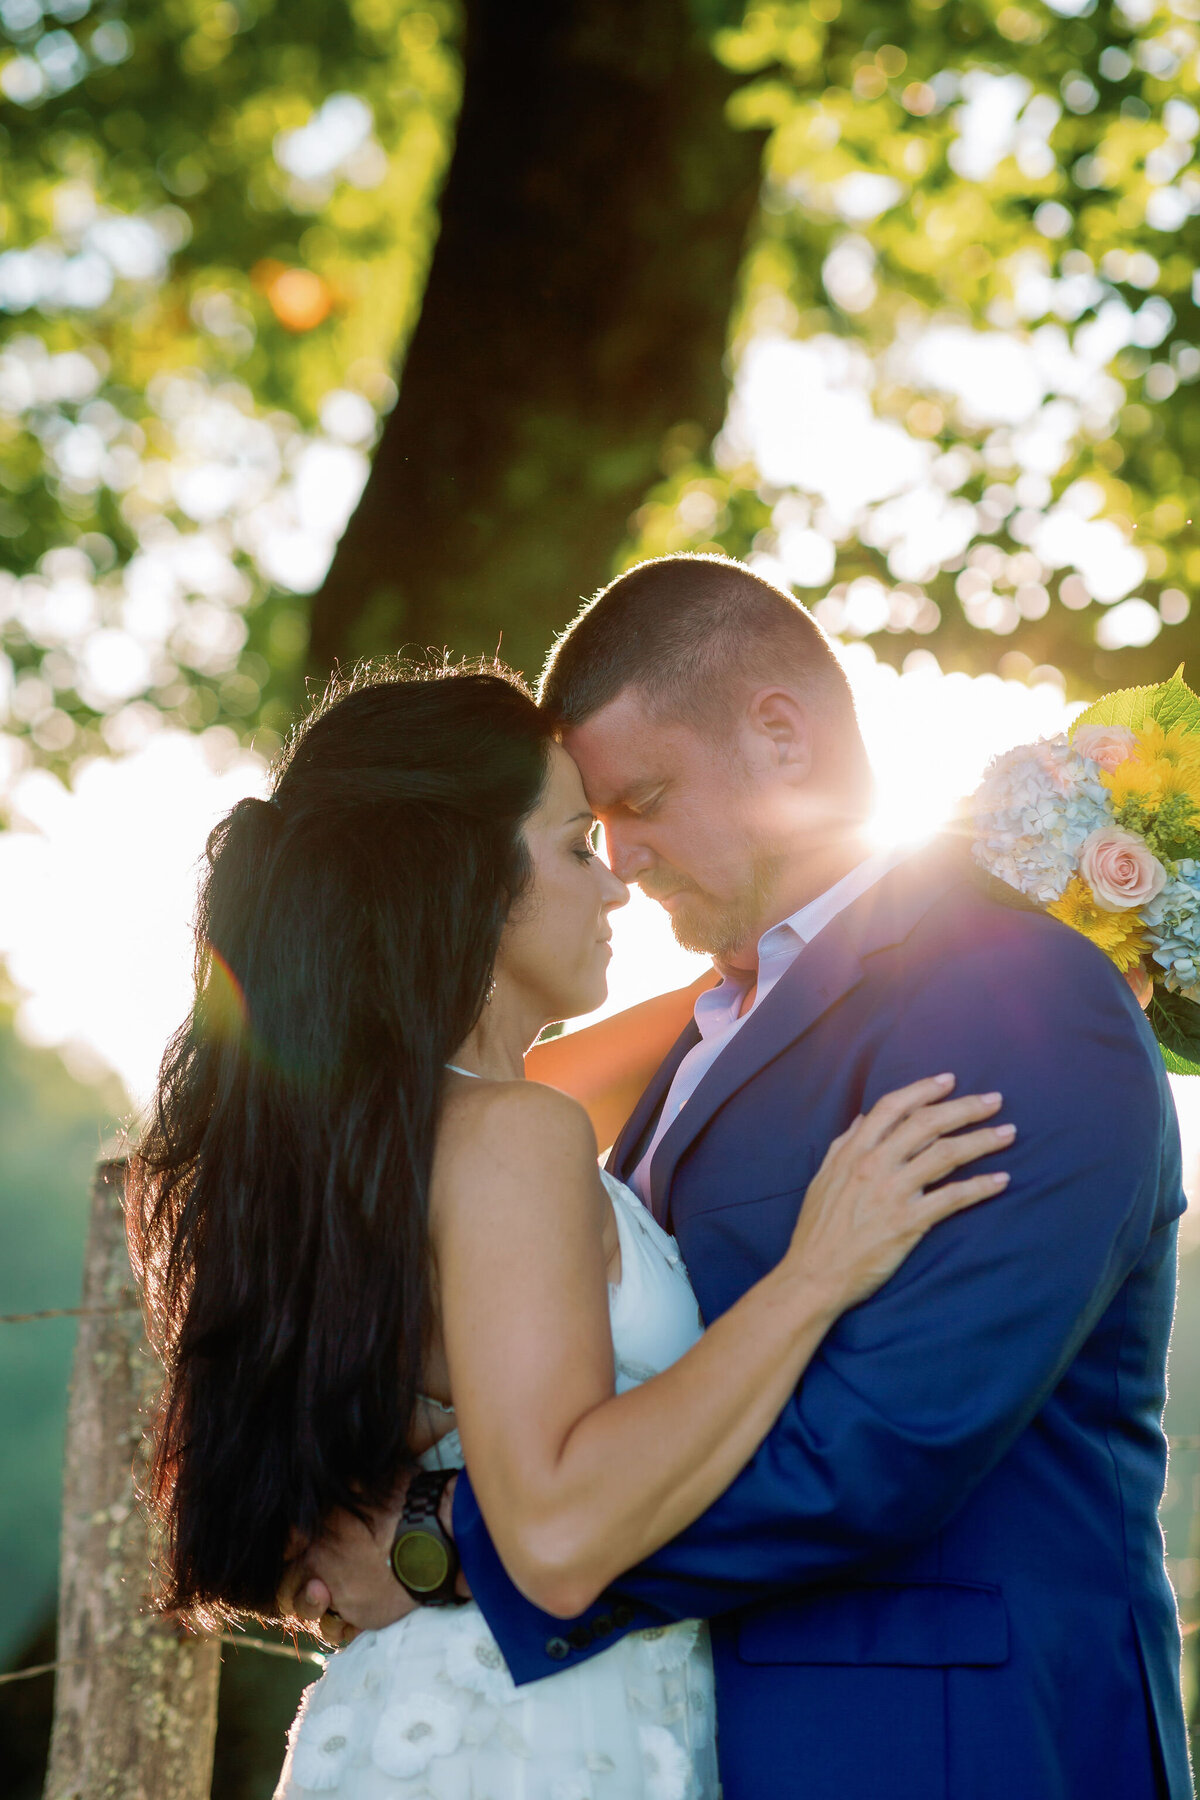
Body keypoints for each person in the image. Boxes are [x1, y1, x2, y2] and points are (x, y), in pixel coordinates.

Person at [290, 556, 1192, 1800]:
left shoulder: (1013, 995)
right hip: (683, 1732)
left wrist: (456, 1551)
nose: (626, 858)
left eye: (644, 799)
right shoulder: (704, 1029)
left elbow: (890, 1436)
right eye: (593, 829)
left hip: (945, 1743)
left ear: (779, 734)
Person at [127, 658, 1007, 1800]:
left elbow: (730, 1010)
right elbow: (554, 1533)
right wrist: (817, 1275)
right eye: (577, 846)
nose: (619, 888)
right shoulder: (515, 1133)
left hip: (450, 1714)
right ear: (471, 885)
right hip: (536, 1740)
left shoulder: (392, 1125)